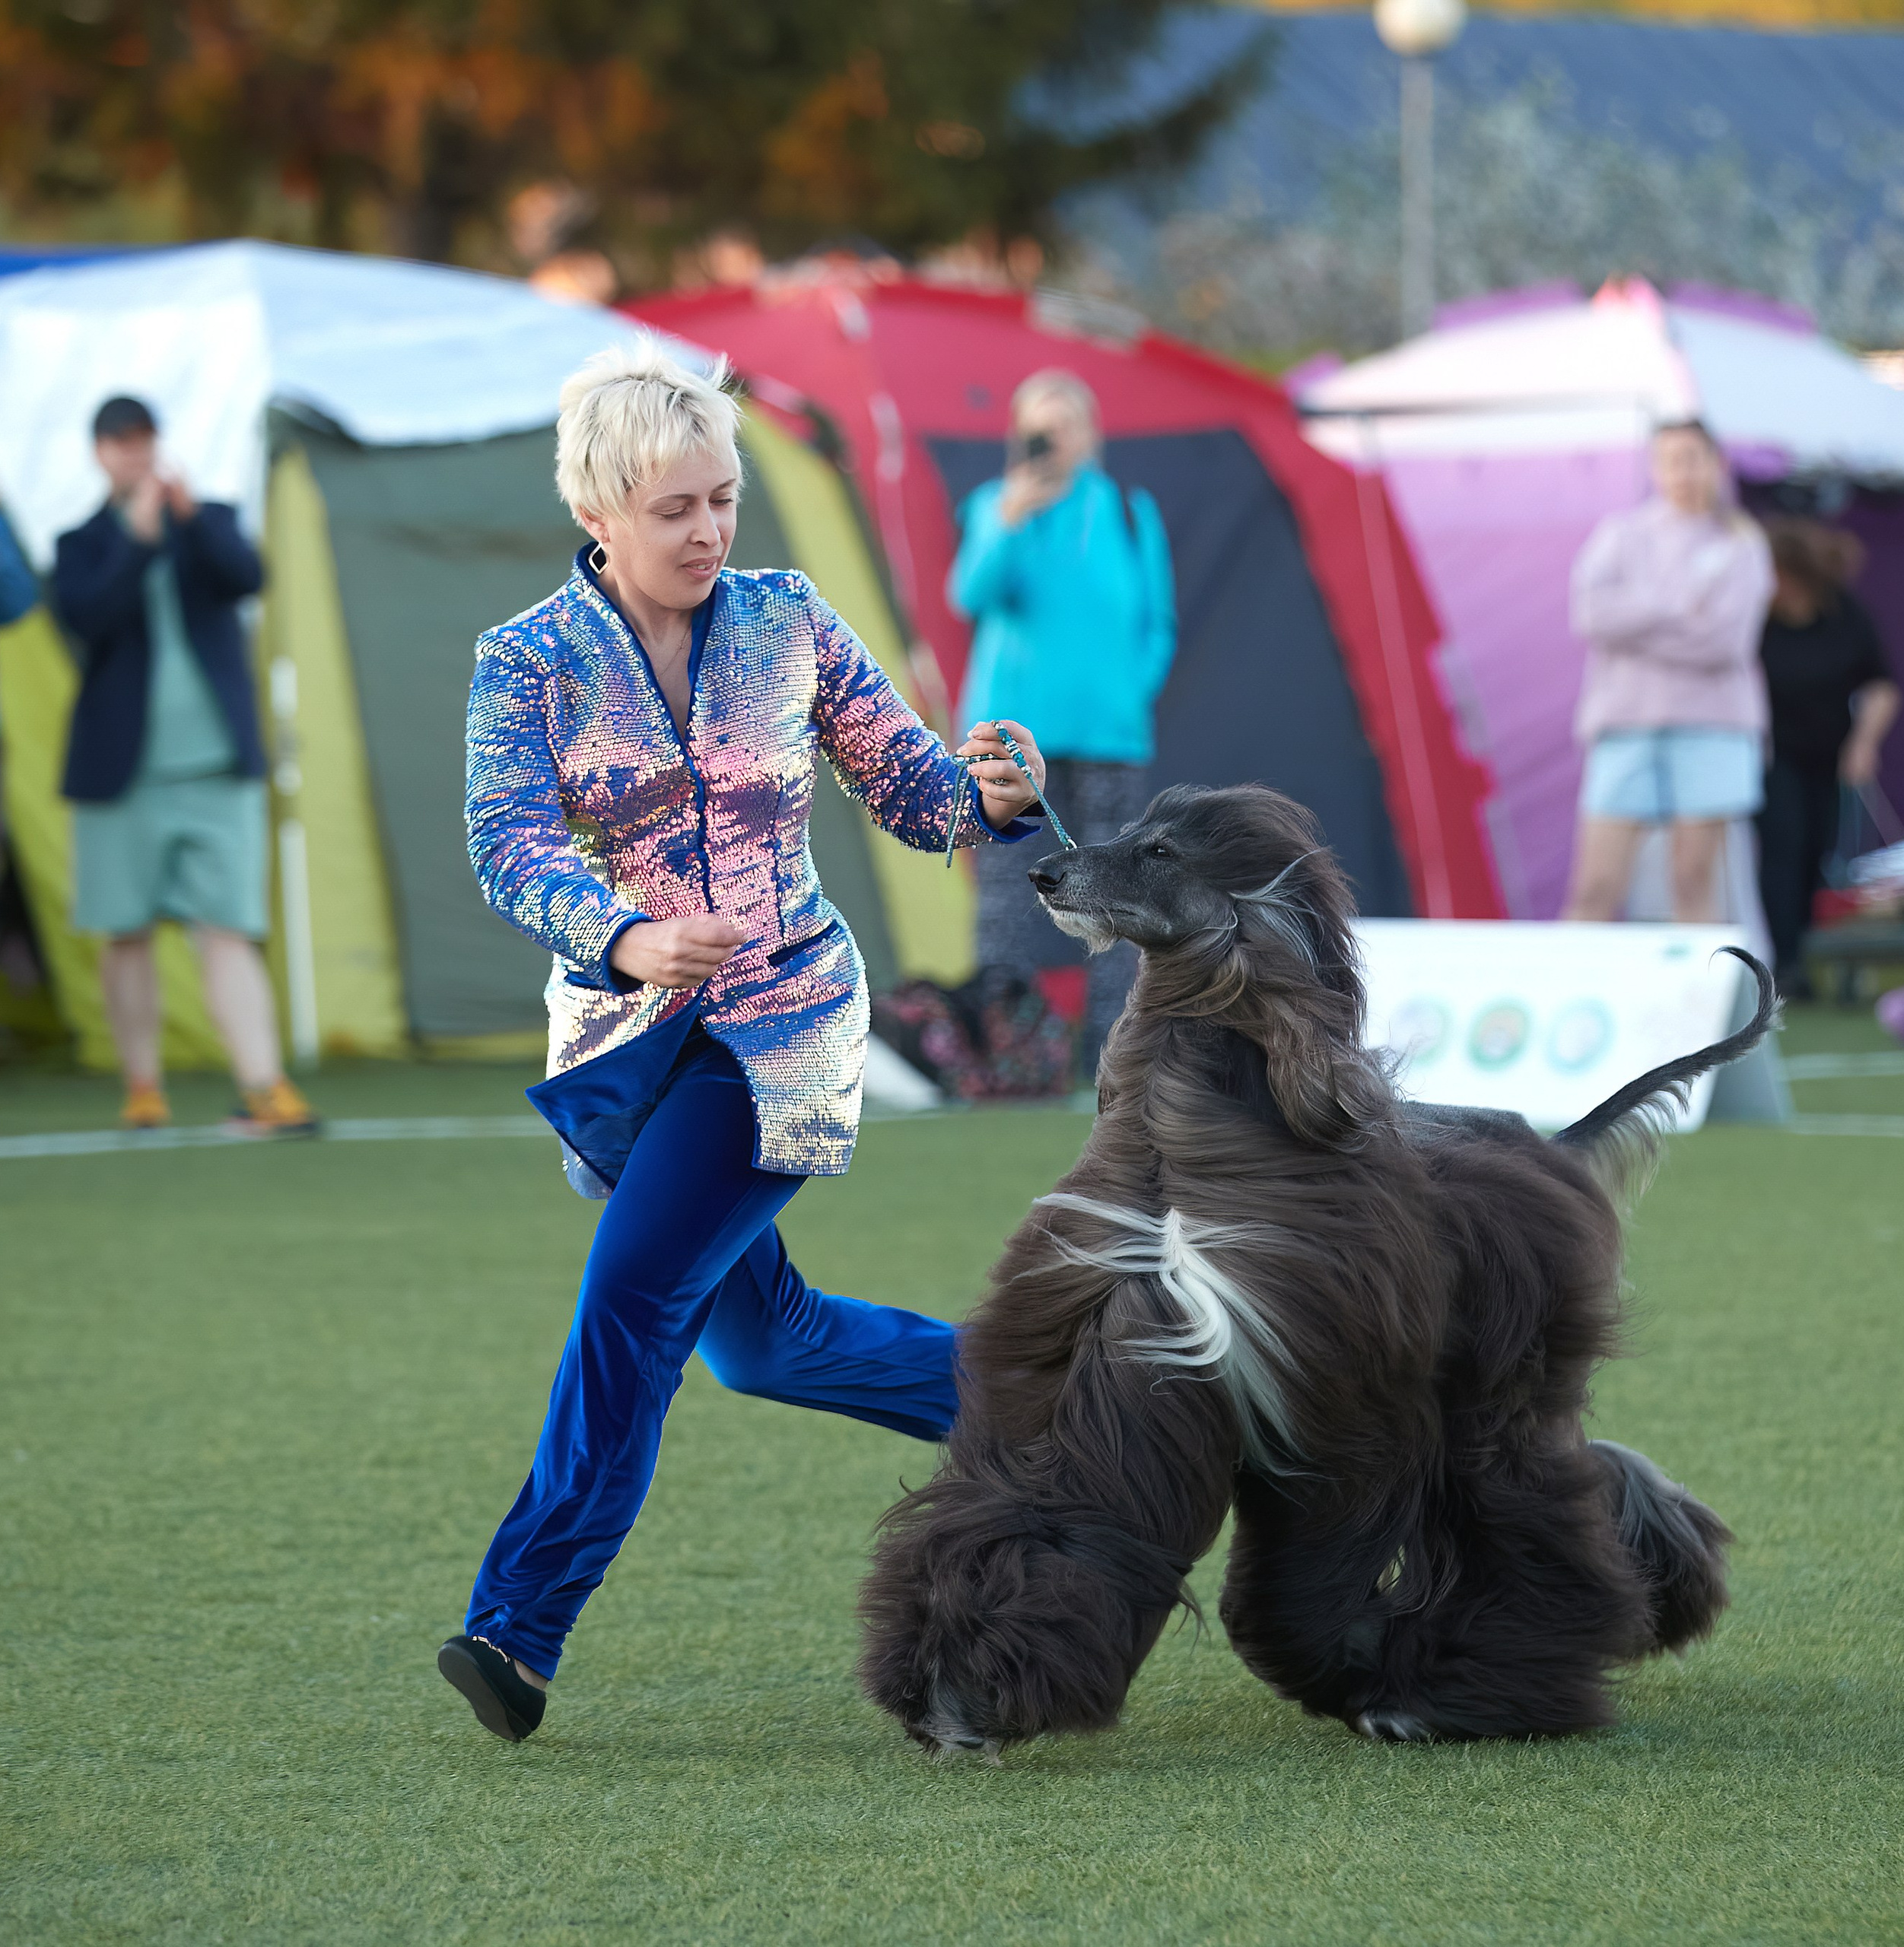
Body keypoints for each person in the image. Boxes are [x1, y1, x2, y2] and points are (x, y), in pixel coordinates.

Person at [438, 340, 1049, 1742]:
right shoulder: (522, 661)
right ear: (599, 513)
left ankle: (516, 1630)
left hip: (779, 1034)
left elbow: (913, 788)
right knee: (766, 1348)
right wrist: (626, 939)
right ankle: (1075, 1419)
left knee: (633, 1305)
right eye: (676, 509)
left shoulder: (790, 618)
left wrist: (993, 799)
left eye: (723, 499)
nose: (711, 529)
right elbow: (506, 842)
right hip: (620, 1048)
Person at [52, 397, 315, 1133]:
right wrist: (135, 540)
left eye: (143, 442)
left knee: (226, 927)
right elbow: (87, 618)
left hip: (216, 767)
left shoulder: (211, 519)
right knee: (125, 931)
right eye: (119, 445)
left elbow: (245, 577)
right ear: (99, 453)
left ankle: (264, 1087)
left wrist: (189, 517)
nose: (135, 457)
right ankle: (143, 1086)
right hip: (119, 775)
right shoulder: (79, 542)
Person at [949, 369, 1175, 1072]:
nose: (1050, 439)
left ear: (1090, 431)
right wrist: (1011, 518)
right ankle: (1000, 1044)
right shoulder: (997, 505)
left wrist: (1130, 692)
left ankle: (1112, 1049)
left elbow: (1158, 622)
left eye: (1063, 424)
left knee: (1118, 885)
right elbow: (970, 594)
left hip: (1109, 735)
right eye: (1036, 426)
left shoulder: (1130, 510)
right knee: (1006, 894)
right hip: (1014, 736)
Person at [1563, 419, 1774, 923]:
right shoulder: (1620, 534)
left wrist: (1635, 619)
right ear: (1656, 468)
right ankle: (1567, 996)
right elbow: (1591, 615)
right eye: (1670, 460)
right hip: (1625, 727)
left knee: (1693, 880)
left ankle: (1698, 1000)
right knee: (1596, 884)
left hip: (1712, 728)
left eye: (1693, 458)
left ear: (1716, 464)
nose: (1683, 472)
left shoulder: (1741, 544)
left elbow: (1724, 641)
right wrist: (1679, 609)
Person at [1755, 518, 1902, 993]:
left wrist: (1864, 743)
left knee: (1818, 848)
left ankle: (1804, 947)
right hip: (1772, 757)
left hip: (1831, 757)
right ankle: (1784, 961)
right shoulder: (1754, 620)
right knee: (1783, 846)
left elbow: (1881, 684)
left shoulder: (1844, 614)